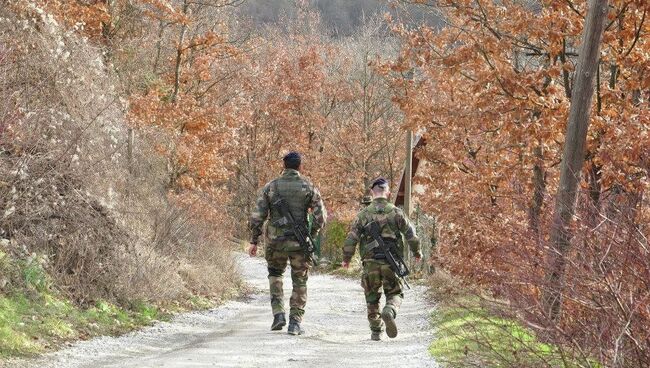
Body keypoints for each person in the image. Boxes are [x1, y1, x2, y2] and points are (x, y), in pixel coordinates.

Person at [248, 151, 327, 335]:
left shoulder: (271, 187)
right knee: (300, 280)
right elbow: (320, 217)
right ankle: (295, 322)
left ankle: (278, 314)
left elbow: (257, 216)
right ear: (300, 166)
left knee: (275, 274)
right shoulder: (309, 186)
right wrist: (311, 234)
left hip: (275, 242)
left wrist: (254, 240)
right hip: (300, 244)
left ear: (284, 166)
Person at [342, 178, 421, 341]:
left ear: (372, 192)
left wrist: (346, 259)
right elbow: (411, 236)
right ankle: (390, 310)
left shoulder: (363, 214)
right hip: (391, 263)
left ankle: (376, 330)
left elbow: (351, 239)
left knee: (371, 296)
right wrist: (417, 252)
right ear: (388, 192)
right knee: (395, 293)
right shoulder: (396, 213)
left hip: (370, 264)